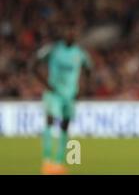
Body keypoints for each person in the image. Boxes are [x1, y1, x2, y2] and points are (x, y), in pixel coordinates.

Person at [30, 22, 93, 175]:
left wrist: (83, 89)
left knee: (65, 126)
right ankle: (46, 161)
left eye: (74, 32)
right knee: (50, 122)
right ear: (64, 34)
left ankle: (58, 163)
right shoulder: (53, 50)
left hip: (70, 95)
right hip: (54, 93)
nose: (71, 35)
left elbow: (89, 70)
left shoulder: (80, 53)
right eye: (69, 32)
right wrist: (46, 84)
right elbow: (33, 65)